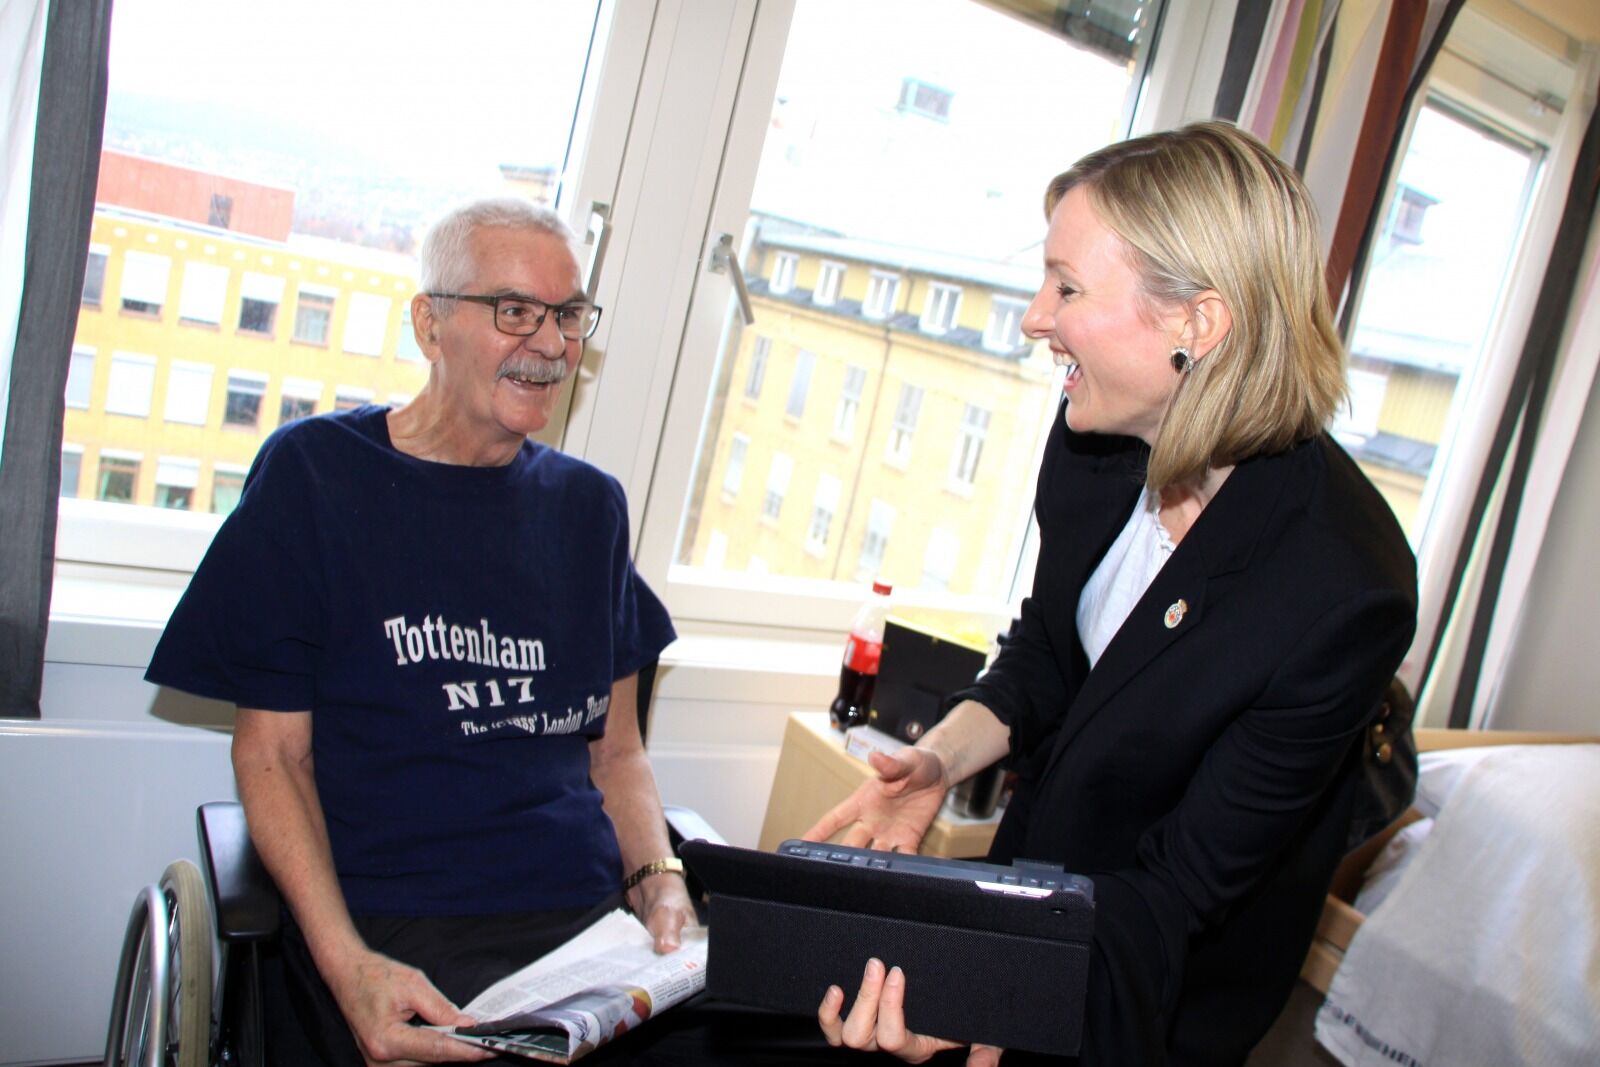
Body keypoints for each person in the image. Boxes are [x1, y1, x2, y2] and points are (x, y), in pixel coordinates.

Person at [808, 121, 1418, 1066]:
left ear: (1196, 324)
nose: (1033, 318)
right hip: (1038, 887)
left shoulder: (1343, 587)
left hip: (1151, 981)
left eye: (1067, 287)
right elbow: (1052, 650)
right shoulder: (1095, 436)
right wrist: (937, 759)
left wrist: (980, 989)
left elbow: (1180, 888)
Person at [145, 198, 693, 1067]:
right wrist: (349, 964)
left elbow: (617, 753)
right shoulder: (316, 477)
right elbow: (273, 755)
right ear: (429, 324)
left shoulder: (590, 508)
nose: (551, 343)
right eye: (514, 310)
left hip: (587, 932)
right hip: (396, 925)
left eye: (568, 314)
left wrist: (659, 881)